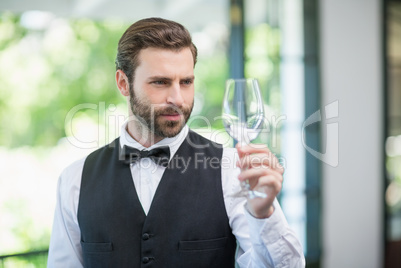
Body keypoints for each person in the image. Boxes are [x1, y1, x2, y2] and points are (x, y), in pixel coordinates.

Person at [47, 17, 305, 267]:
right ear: (124, 83)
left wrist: (265, 215)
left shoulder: (230, 170)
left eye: (186, 82)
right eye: (160, 82)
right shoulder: (75, 180)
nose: (178, 98)